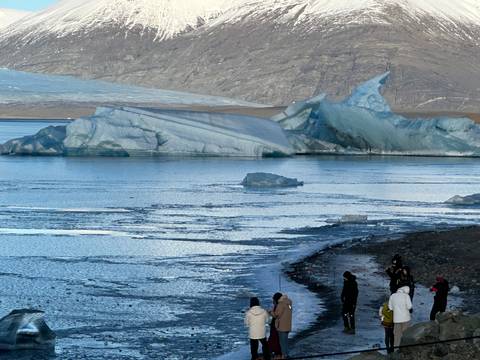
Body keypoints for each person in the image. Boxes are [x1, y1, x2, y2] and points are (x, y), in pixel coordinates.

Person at [272, 293, 292, 359]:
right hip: (288, 325)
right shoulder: (289, 303)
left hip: (282, 326)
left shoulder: (281, 304)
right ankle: (287, 354)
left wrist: (270, 312)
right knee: (285, 341)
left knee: (282, 343)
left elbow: (276, 315)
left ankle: (284, 356)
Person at [268, 293, 282, 359]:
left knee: (274, 342)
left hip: (276, 328)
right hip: (277, 327)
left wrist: (270, 312)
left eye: (273, 299)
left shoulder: (278, 307)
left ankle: (277, 355)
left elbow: (276, 316)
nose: (272, 301)